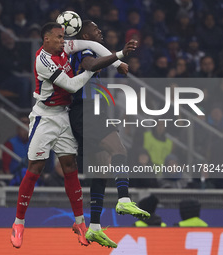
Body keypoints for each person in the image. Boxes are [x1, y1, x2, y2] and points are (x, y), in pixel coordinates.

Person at [11, 22, 129, 248]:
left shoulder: (64, 47)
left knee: (70, 167)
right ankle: (18, 223)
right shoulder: (43, 60)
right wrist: (91, 70)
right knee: (35, 167)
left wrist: (120, 58)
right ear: (46, 40)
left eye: (63, 37)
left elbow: (92, 44)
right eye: (57, 38)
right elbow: (72, 85)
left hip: (63, 115)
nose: (62, 41)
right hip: (45, 117)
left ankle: (80, 224)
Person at [69, 20, 149, 248]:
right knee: (119, 149)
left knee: (101, 167)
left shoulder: (88, 48)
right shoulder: (85, 49)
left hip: (82, 112)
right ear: (85, 33)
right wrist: (120, 55)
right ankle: (124, 199)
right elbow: (89, 64)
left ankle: (94, 227)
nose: (100, 31)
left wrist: (115, 62)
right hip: (85, 112)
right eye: (96, 29)